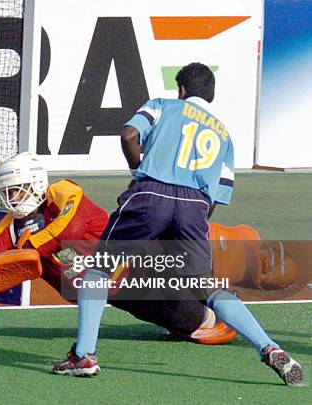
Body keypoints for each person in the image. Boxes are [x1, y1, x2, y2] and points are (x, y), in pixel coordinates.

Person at [53, 63, 303, 386]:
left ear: (181, 90)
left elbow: (129, 134)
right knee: (208, 288)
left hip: (150, 193)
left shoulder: (162, 106)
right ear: (210, 95)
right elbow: (215, 197)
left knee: (99, 269)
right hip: (195, 206)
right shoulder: (224, 135)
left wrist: (139, 173)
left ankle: (84, 356)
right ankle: (271, 348)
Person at [0, 151, 236, 347]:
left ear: (36, 184)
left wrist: (29, 248)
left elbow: (67, 229)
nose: (12, 197)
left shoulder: (65, 193)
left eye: (17, 189)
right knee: (188, 323)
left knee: (211, 319)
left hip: (139, 264)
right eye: (6, 192)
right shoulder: (8, 230)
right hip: (115, 293)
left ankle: (229, 254)